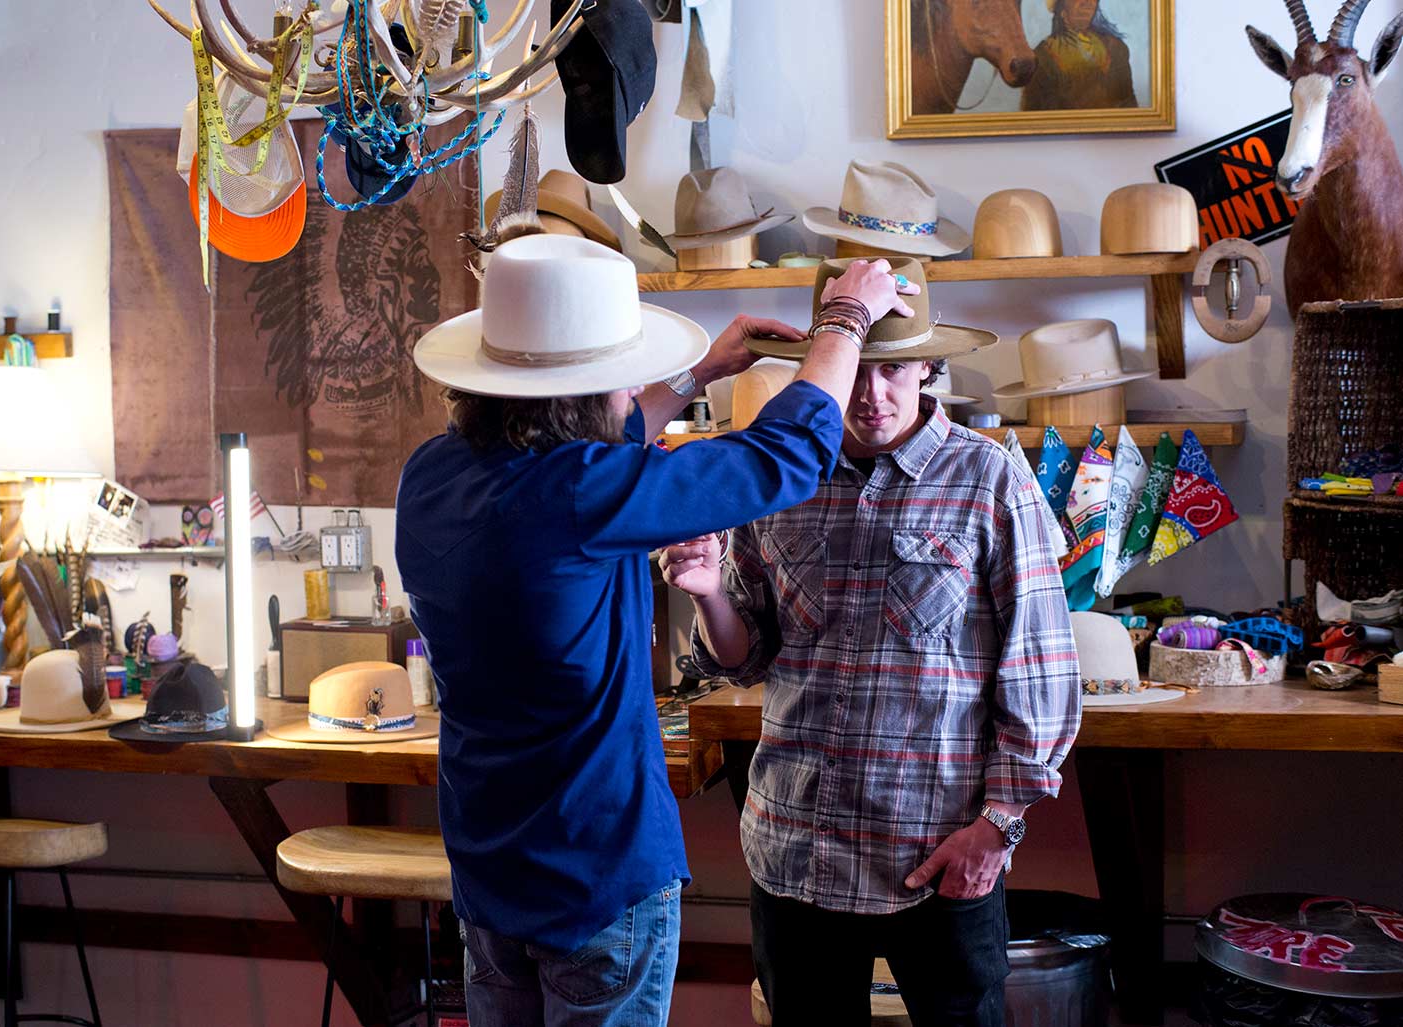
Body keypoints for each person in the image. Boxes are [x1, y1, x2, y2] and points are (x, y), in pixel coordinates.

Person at [395, 232, 917, 1027]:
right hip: (596, 874)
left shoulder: (432, 473)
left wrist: (700, 373)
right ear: (586, 394)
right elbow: (787, 456)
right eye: (619, 380)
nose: (629, 391)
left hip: (488, 875)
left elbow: (585, 454)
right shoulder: (583, 493)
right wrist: (845, 318)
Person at [665, 260, 1082, 1027]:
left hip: (935, 852)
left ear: (929, 366)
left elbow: (1043, 671)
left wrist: (995, 829)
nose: (870, 393)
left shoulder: (988, 478)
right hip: (796, 850)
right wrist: (712, 593)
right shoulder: (783, 472)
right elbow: (744, 657)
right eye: (858, 366)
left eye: (893, 369)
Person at [1021, 0, 1138, 110]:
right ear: (1061, 7)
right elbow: (1033, 117)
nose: (1087, 3)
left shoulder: (1116, 49)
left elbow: (1129, 105)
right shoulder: (1042, 57)